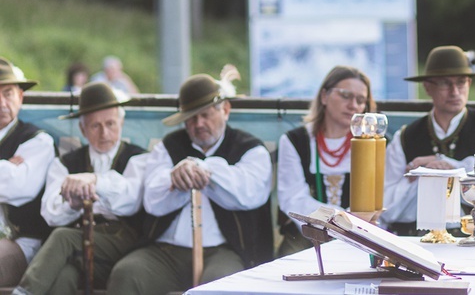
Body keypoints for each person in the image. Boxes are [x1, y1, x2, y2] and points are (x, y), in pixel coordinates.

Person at [107, 72, 274, 294]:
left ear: (224, 110)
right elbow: (153, 201)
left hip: (223, 251)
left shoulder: (251, 149)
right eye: (191, 118)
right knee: (127, 273)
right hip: (167, 252)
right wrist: (175, 179)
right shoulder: (169, 147)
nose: (199, 124)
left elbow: (249, 195)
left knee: (219, 286)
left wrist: (205, 169)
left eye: (205, 115)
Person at [15, 82, 149, 294]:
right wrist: (72, 204)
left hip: (124, 243)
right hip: (81, 246)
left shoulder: (138, 158)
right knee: (64, 276)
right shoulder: (65, 163)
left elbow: (131, 201)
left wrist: (95, 180)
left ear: (121, 123)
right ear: (82, 129)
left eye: (110, 124)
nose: (104, 133)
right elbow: (49, 213)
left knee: (62, 237)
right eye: (95, 126)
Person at [381, 46, 475, 235]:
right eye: (445, 83)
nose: (455, 91)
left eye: (461, 82)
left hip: (473, 240)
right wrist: (431, 173)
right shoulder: (405, 137)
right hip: (413, 240)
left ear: (469, 84)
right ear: (428, 88)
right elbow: (387, 207)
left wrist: (442, 166)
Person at [276, 65, 376, 257]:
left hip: (358, 237)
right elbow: (293, 198)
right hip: (305, 235)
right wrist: (339, 219)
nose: (353, 105)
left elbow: (379, 198)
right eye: (346, 96)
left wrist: (351, 226)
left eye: (361, 100)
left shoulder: (372, 143)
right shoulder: (296, 140)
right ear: (324, 96)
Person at [0, 57, 56, 287]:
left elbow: (18, 187)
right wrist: (6, 167)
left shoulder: (38, 141)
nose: (1, 103)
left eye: (8, 93)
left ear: (20, 97)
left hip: (19, 241)